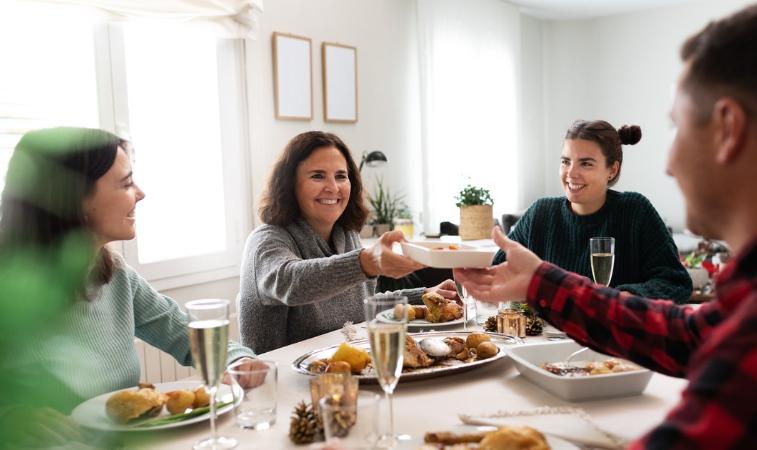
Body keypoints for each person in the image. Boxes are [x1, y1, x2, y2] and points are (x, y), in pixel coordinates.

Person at [457, 2, 757, 447]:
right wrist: (540, 282)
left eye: (677, 127)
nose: (668, 165)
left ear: (729, 129)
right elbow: (688, 335)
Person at [0, 128, 258, 447]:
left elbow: (185, 333)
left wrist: (236, 361)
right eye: (125, 183)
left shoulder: (115, 275)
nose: (140, 193)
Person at [238, 131, 456, 353]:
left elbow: (364, 302)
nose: (333, 187)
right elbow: (292, 283)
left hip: (341, 374)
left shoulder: (345, 234)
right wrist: (366, 262)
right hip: (277, 381)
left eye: (341, 176)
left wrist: (424, 295)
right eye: (317, 176)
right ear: (290, 184)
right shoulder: (266, 240)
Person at [493, 120, 692, 302]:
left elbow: (675, 282)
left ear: (612, 170)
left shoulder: (635, 211)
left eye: (586, 163)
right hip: (545, 337)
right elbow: (498, 274)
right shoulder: (540, 213)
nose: (571, 173)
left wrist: (618, 299)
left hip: (612, 336)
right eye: (565, 161)